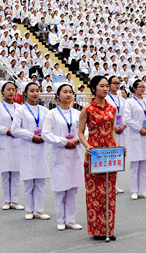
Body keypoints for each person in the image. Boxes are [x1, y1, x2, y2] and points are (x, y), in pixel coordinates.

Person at [78, 76, 119, 240]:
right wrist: (87, 146)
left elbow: (112, 130)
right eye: (102, 86)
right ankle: (97, 229)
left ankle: (109, 228)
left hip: (109, 154)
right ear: (94, 88)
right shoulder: (87, 109)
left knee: (110, 192)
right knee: (95, 194)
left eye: (107, 86)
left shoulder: (112, 109)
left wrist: (117, 146)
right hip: (95, 154)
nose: (105, 89)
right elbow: (80, 132)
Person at [42, 83, 84, 231]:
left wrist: (77, 140)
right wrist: (64, 142)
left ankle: (71, 219)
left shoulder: (78, 113)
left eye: (70, 92)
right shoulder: (51, 114)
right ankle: (61, 219)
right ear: (57, 95)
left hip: (75, 153)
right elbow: (46, 133)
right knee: (60, 188)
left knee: (73, 188)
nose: (68, 94)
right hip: (60, 152)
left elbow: (85, 131)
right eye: (65, 92)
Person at [10, 82, 50, 220]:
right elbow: (15, 129)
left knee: (40, 180)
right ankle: (29, 210)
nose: (35, 93)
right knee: (28, 181)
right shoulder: (20, 110)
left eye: (37, 90)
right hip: (27, 147)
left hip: (41, 148)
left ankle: (39, 210)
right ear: (25, 93)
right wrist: (31, 136)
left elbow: (49, 128)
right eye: (32, 91)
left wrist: (44, 136)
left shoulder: (44, 111)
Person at [0, 81, 24, 211]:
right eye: (8, 89)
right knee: (6, 172)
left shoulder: (20, 108)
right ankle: (7, 200)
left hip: (17, 143)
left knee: (16, 172)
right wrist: (5, 130)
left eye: (13, 89)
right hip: (4, 142)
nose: (11, 92)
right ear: (2, 91)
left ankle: (15, 200)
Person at [124, 79, 146, 200]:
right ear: (134, 88)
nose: (143, 89)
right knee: (135, 165)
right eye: (140, 87)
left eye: (144, 87)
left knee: (144, 164)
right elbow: (127, 118)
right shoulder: (130, 102)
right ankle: (134, 190)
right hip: (135, 135)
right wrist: (139, 129)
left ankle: (143, 190)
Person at [107, 76, 127, 194]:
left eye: (118, 83)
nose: (117, 85)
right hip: (111, 130)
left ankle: (115, 183)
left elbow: (126, 114)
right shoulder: (106, 98)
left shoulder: (122, 99)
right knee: (110, 157)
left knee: (117, 158)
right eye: (114, 83)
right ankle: (109, 183)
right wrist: (113, 126)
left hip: (121, 130)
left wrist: (123, 125)